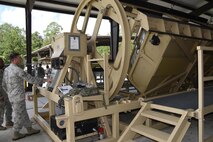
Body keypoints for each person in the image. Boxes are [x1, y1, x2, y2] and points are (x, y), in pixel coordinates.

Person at [2, 53, 44, 141]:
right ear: (16, 59)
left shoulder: (6, 70)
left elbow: (3, 85)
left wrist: (10, 93)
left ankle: (29, 129)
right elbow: (31, 79)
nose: (21, 59)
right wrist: (45, 80)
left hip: (12, 97)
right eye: (20, 57)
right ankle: (16, 133)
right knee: (19, 115)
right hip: (18, 98)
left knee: (23, 112)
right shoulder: (18, 70)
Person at [0, 58, 13, 130]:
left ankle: (8, 121)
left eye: (3, 61)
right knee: (1, 109)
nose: (3, 63)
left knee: (9, 106)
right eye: (1, 62)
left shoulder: (4, 70)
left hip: (7, 93)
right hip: (1, 94)